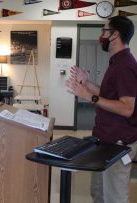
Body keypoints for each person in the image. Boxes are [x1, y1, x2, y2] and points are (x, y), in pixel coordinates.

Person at [66, 16, 137, 203]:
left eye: (104, 31)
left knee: (114, 197)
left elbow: (127, 108)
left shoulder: (125, 66)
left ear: (115, 35)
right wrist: (86, 82)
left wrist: (88, 96)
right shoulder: (116, 62)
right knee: (98, 192)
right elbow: (108, 94)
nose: (102, 35)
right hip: (104, 141)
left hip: (118, 144)